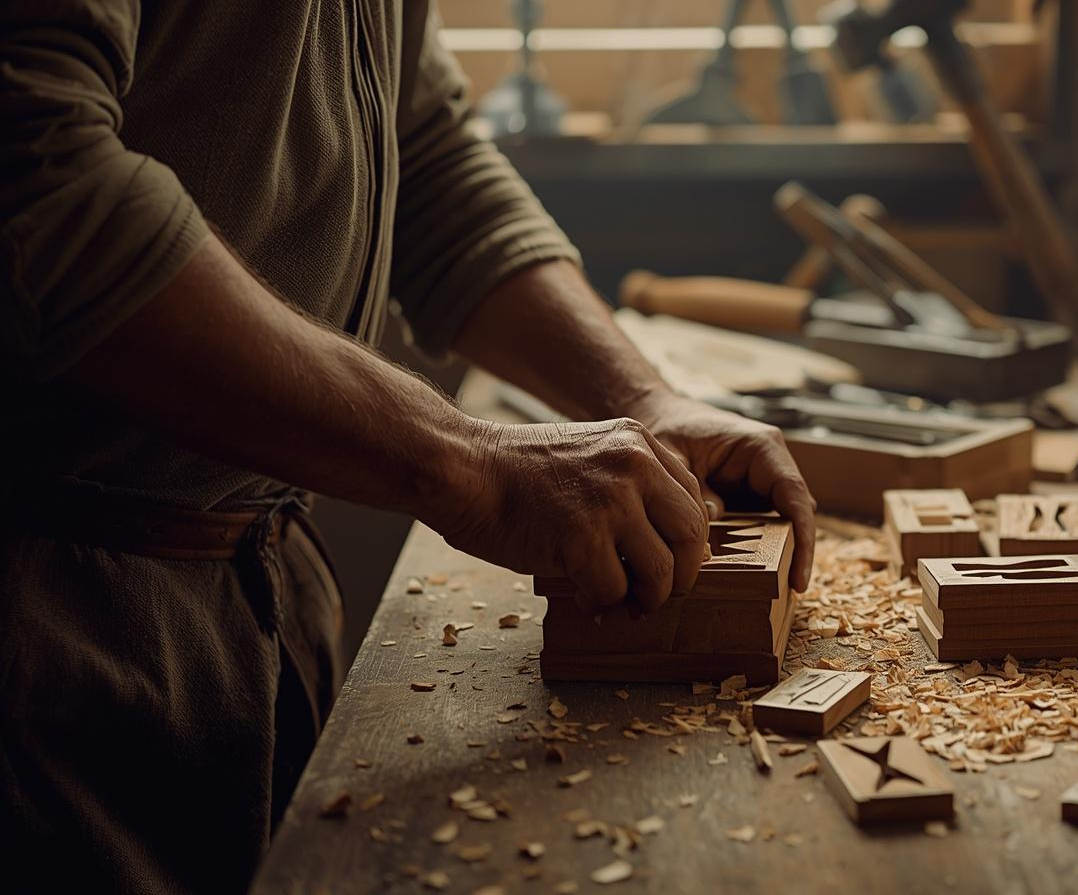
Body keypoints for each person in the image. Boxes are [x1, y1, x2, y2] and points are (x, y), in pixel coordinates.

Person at [0, 2, 817, 891]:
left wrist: (640, 397)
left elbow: (422, 152)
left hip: (246, 594)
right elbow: (39, 181)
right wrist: (476, 467)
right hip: (49, 623)